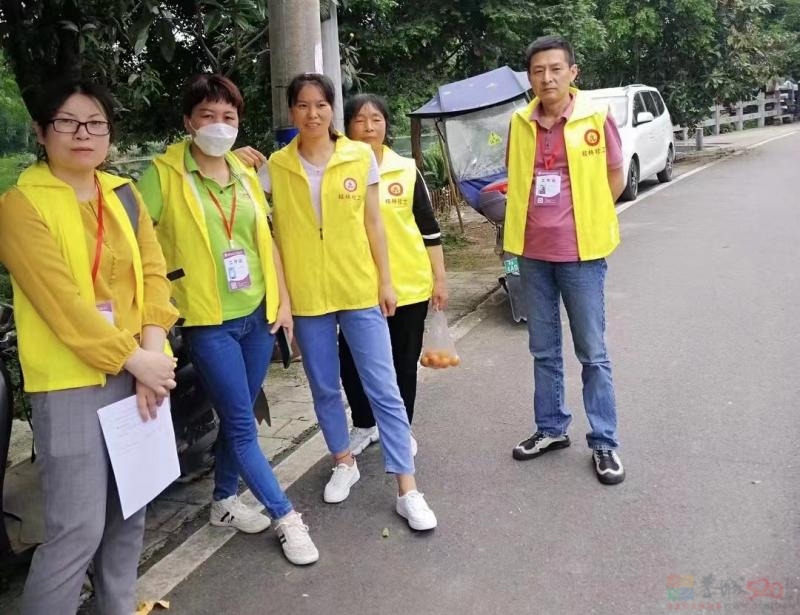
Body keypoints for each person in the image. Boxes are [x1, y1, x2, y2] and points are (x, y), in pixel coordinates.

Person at [0, 80, 179, 615]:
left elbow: (153, 275)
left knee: (130, 513)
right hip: (72, 381)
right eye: (68, 122)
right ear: (41, 131)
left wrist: (151, 350)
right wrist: (136, 359)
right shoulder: (20, 204)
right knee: (75, 530)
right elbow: (62, 303)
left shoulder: (122, 193)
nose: (84, 134)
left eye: (95, 123)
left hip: (138, 368)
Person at [137, 74, 318, 565]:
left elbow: (267, 239)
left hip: (257, 315)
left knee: (243, 417)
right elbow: (133, 240)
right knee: (241, 424)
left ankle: (223, 502)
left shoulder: (243, 174)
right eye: (207, 116)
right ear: (187, 122)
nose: (219, 125)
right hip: (208, 321)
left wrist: (282, 303)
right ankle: (286, 516)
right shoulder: (162, 176)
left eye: (229, 117)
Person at [250, 73, 437, 530]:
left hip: (357, 288)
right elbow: (259, 226)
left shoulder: (357, 156)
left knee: (384, 386)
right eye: (302, 106)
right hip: (309, 296)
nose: (312, 114)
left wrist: (386, 281)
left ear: (331, 110)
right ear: (291, 111)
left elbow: (374, 223)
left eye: (321, 105)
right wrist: (284, 299)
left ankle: (407, 488)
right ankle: (343, 460)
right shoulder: (276, 165)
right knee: (326, 387)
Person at [505, 35, 627, 485]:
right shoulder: (520, 122)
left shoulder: (596, 117)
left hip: (582, 253)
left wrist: (590, 218)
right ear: (530, 77)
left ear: (573, 72)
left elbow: (615, 173)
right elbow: (517, 179)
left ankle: (605, 441)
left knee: (592, 352)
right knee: (543, 349)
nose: (547, 77)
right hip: (532, 253)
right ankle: (552, 428)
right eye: (538, 71)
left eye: (556, 69)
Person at [336, 94, 448, 456]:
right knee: (351, 363)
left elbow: (429, 229)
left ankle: (399, 429)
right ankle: (365, 424)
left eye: (377, 119)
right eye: (360, 120)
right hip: (356, 287)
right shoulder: (337, 170)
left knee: (403, 363)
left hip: (408, 285)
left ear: (386, 124)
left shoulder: (406, 168)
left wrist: (440, 279)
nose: (369, 127)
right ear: (347, 126)